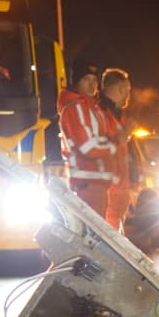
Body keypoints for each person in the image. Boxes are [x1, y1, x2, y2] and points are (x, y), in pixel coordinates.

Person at [56, 57, 118, 218]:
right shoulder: (74, 108)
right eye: (86, 79)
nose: (92, 85)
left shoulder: (95, 107)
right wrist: (115, 145)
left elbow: (114, 135)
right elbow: (88, 148)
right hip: (86, 185)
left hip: (98, 185)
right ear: (75, 82)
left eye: (94, 80)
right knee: (93, 238)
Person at [97, 68, 135, 232]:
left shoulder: (117, 115)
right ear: (121, 89)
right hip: (106, 194)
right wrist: (126, 131)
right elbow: (111, 142)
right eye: (127, 90)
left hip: (117, 196)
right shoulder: (100, 113)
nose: (128, 95)